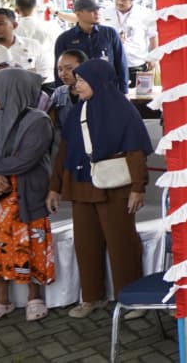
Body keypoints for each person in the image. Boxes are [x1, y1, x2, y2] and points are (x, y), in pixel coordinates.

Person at [48, 59, 152, 319]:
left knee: (122, 244)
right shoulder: (77, 111)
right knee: (86, 244)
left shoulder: (123, 110)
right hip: (81, 186)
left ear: (98, 81)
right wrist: (55, 187)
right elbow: (64, 151)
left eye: (82, 80)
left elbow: (135, 150)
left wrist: (138, 188)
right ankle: (92, 298)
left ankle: (132, 299)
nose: (77, 85)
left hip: (115, 188)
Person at [0, 68, 55, 322]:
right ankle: (1, 300)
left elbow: (26, 160)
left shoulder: (39, 121)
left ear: (11, 90)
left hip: (28, 195)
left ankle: (34, 297)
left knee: (32, 244)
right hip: (0, 199)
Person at [54, 0, 127, 92]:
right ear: (78, 14)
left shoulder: (110, 33)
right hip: (78, 91)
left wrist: (124, 91)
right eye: (91, 10)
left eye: (98, 9)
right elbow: (59, 69)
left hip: (107, 89)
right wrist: (61, 93)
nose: (97, 13)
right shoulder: (65, 39)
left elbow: (121, 63)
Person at [99, 0, 158, 87]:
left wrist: (153, 58)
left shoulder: (145, 14)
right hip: (113, 63)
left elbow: (153, 36)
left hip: (137, 62)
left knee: (139, 97)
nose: (119, 2)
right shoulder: (105, 13)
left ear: (132, 0)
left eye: (123, 0)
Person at [0, 8, 51, 80]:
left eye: (0, 24)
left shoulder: (33, 45)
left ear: (14, 25)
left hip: (29, 90)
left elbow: (43, 72)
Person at [13, 0, 59, 66]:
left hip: (19, 70)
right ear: (36, 8)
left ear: (16, 11)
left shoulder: (11, 30)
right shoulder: (52, 27)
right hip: (46, 69)